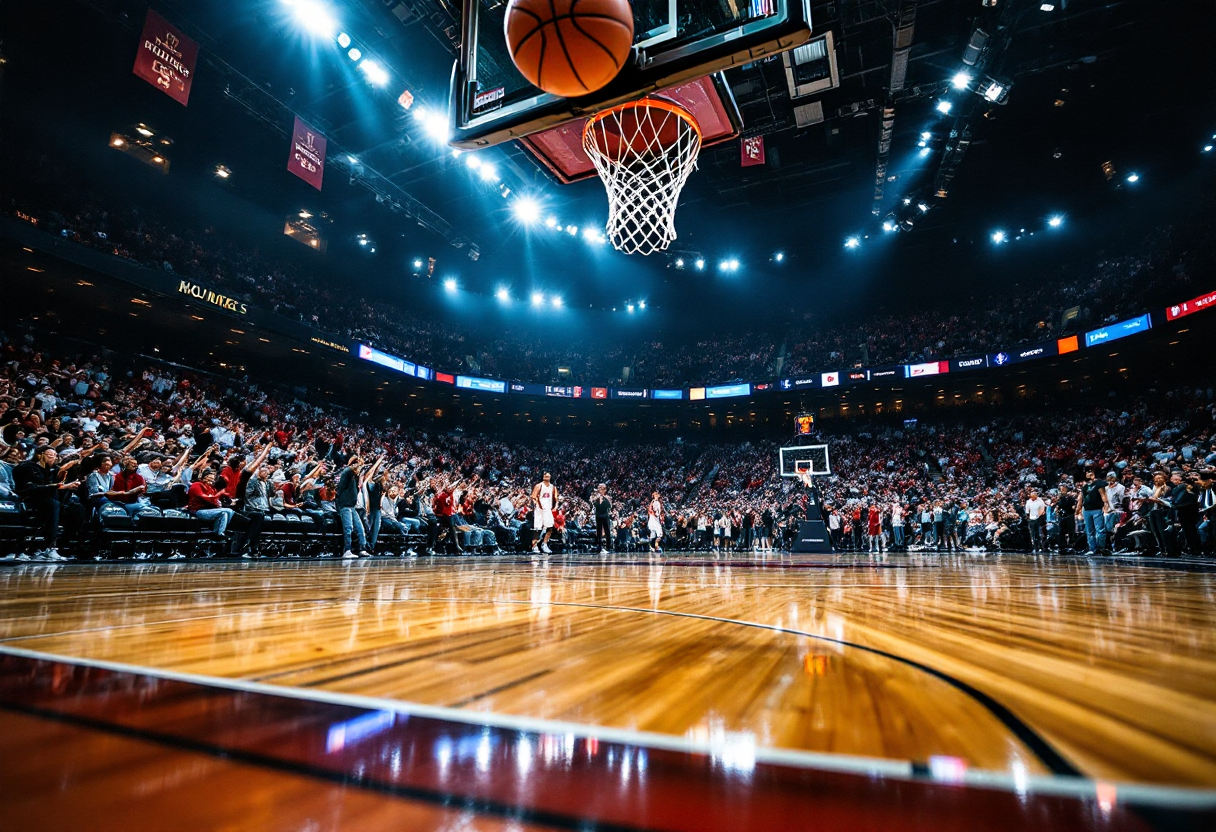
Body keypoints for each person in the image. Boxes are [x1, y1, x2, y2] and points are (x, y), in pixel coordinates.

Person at [13, 446, 79, 560]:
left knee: (75, 508)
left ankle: (67, 547)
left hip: (44, 499)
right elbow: (33, 489)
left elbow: (51, 486)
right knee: (53, 505)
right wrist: (62, 486)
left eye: (55, 455)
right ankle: (49, 548)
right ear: (40, 455)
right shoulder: (27, 467)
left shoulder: (48, 470)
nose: (53, 458)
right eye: (50, 455)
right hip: (27, 498)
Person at [335, 455, 371, 558]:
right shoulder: (347, 472)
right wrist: (339, 503)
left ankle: (362, 549)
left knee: (360, 528)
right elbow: (340, 488)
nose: (361, 468)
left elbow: (357, 489)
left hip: (352, 506)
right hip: (345, 505)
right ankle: (347, 550)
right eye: (360, 466)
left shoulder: (355, 476)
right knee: (348, 528)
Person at [187, 469, 234, 540]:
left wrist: (218, 501)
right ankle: (220, 532)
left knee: (225, 513)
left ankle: (219, 533)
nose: (212, 479)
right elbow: (206, 498)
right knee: (228, 511)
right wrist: (219, 494)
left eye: (213, 478)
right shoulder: (197, 485)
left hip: (208, 510)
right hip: (197, 511)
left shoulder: (211, 489)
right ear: (205, 477)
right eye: (210, 477)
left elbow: (215, 502)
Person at [1080, 468, 1110, 555]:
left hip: (1097, 509)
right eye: (1087, 472)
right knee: (1089, 531)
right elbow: (1082, 499)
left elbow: (1104, 496)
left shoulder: (1099, 483)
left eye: (1090, 472)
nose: (1088, 473)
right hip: (1086, 510)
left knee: (1100, 530)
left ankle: (1101, 548)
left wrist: (1105, 508)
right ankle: (1092, 549)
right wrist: (1080, 511)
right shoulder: (1084, 487)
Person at [530, 472, 558, 554]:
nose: (547, 476)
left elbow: (556, 499)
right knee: (537, 528)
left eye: (548, 475)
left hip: (548, 509)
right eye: (545, 475)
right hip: (539, 509)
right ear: (543, 476)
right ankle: (534, 546)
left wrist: (555, 507)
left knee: (550, 527)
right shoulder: (539, 486)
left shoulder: (553, 487)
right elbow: (533, 497)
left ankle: (544, 544)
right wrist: (537, 504)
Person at [591, 483, 613, 554]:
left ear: (604, 490)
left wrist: (604, 498)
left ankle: (608, 547)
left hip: (605, 515)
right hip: (598, 515)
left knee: (607, 531)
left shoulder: (608, 497)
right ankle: (599, 546)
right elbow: (594, 504)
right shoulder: (595, 497)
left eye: (601, 488)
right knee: (599, 531)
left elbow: (610, 506)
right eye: (599, 488)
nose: (599, 490)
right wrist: (597, 498)